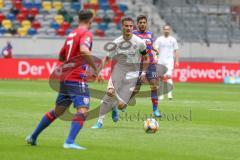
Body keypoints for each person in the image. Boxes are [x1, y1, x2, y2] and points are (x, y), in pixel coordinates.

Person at [26, 10, 97, 150]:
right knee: (82, 110)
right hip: (76, 78)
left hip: (65, 77)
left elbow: (61, 56)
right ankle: (69, 142)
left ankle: (33, 136)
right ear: (91, 20)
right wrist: (94, 67)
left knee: (58, 111)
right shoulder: (86, 33)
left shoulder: (71, 34)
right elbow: (84, 50)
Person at [91, 17, 148, 129]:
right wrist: (98, 72)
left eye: (131, 26)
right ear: (122, 26)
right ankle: (99, 122)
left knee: (122, 105)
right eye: (126, 26)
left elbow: (146, 58)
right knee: (109, 93)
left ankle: (114, 106)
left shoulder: (140, 42)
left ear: (133, 27)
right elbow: (107, 59)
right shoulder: (116, 42)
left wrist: (143, 73)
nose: (129, 28)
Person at [132, 15, 161, 117]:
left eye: (144, 22)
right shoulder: (133, 34)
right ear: (137, 24)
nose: (142, 24)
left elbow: (150, 44)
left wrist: (155, 49)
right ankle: (124, 103)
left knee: (154, 85)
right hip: (139, 64)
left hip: (151, 63)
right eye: (140, 22)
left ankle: (155, 110)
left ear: (146, 23)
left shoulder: (150, 34)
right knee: (136, 89)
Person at [154, 24, 179, 100]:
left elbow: (176, 50)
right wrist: (155, 58)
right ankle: (161, 95)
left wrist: (177, 61)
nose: (166, 31)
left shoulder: (173, 40)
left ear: (170, 30)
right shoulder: (159, 39)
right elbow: (155, 49)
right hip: (161, 60)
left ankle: (169, 95)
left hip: (169, 61)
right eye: (165, 29)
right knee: (161, 78)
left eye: (168, 29)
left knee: (168, 77)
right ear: (163, 30)